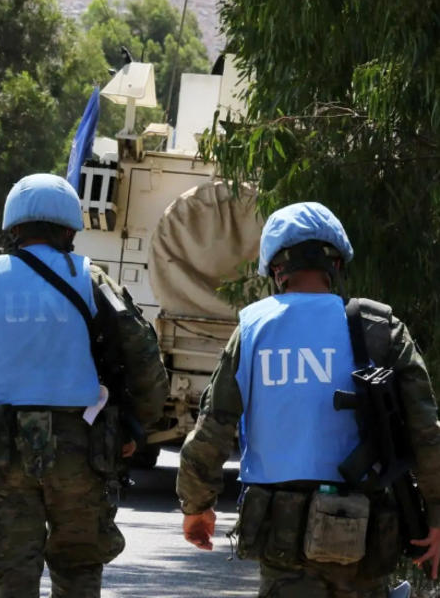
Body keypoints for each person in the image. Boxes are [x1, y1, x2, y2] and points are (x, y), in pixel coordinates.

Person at [0, 173, 169, 598]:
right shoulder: (94, 280)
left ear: (13, 228)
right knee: (78, 569)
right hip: (80, 448)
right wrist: (137, 427)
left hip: (3, 448)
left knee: (12, 571)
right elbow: (144, 360)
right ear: (69, 229)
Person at [176, 202, 440, 597]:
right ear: (335, 263)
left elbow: (213, 427)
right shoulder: (381, 327)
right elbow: (425, 431)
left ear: (276, 270)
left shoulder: (252, 327)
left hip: (282, 535)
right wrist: (436, 516)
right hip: (366, 531)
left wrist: (196, 506)